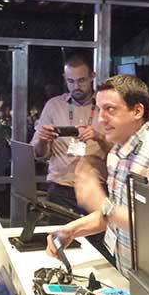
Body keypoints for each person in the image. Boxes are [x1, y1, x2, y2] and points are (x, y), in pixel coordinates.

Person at [46, 74, 149, 277]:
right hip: (128, 270)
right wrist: (71, 230)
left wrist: (101, 203)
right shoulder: (117, 152)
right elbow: (116, 215)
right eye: (100, 109)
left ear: (137, 111)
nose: (101, 118)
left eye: (110, 109)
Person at [31, 53, 110, 217]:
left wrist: (99, 137)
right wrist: (43, 141)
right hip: (60, 190)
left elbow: (120, 152)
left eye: (81, 80)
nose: (76, 87)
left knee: (97, 234)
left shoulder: (106, 107)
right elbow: (37, 153)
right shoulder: (54, 106)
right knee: (58, 234)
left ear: (92, 76)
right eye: (70, 81)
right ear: (64, 78)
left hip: (96, 190)